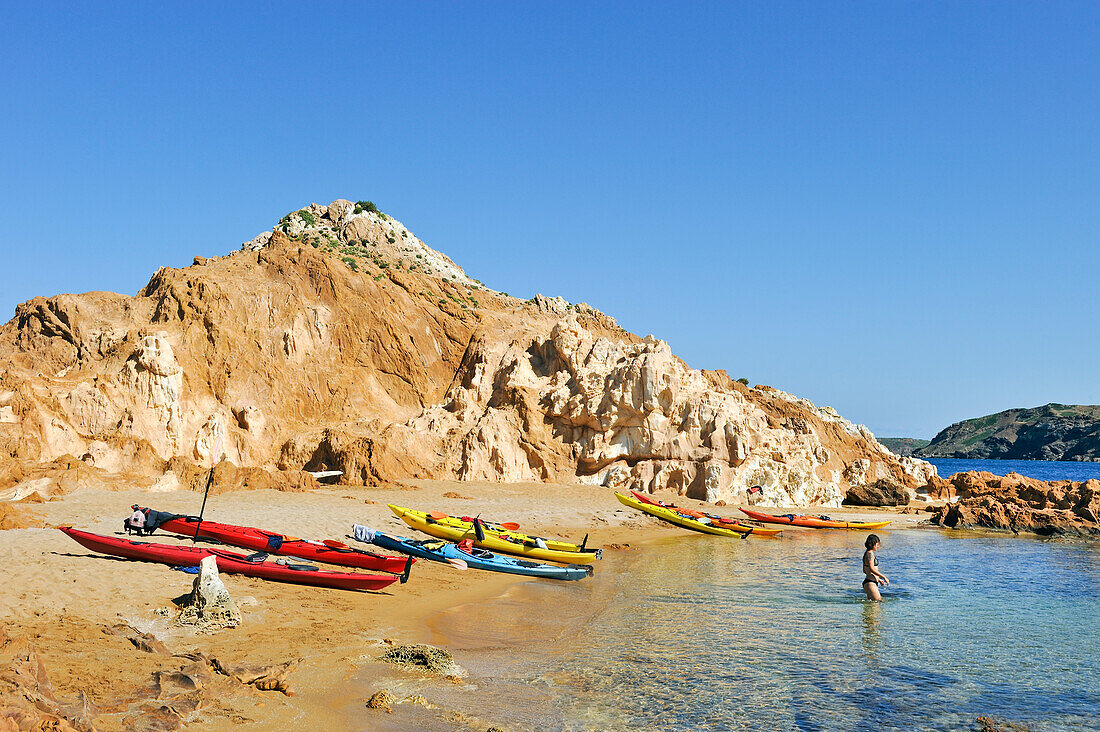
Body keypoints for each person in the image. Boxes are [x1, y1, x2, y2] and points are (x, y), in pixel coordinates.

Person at [862, 534, 889, 601]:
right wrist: (884, 577)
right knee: (878, 604)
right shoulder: (870, 554)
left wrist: (878, 579)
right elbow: (871, 568)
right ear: (873, 544)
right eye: (877, 545)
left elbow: (865, 570)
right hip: (870, 583)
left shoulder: (867, 553)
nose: (878, 547)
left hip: (870, 582)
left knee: (872, 607)